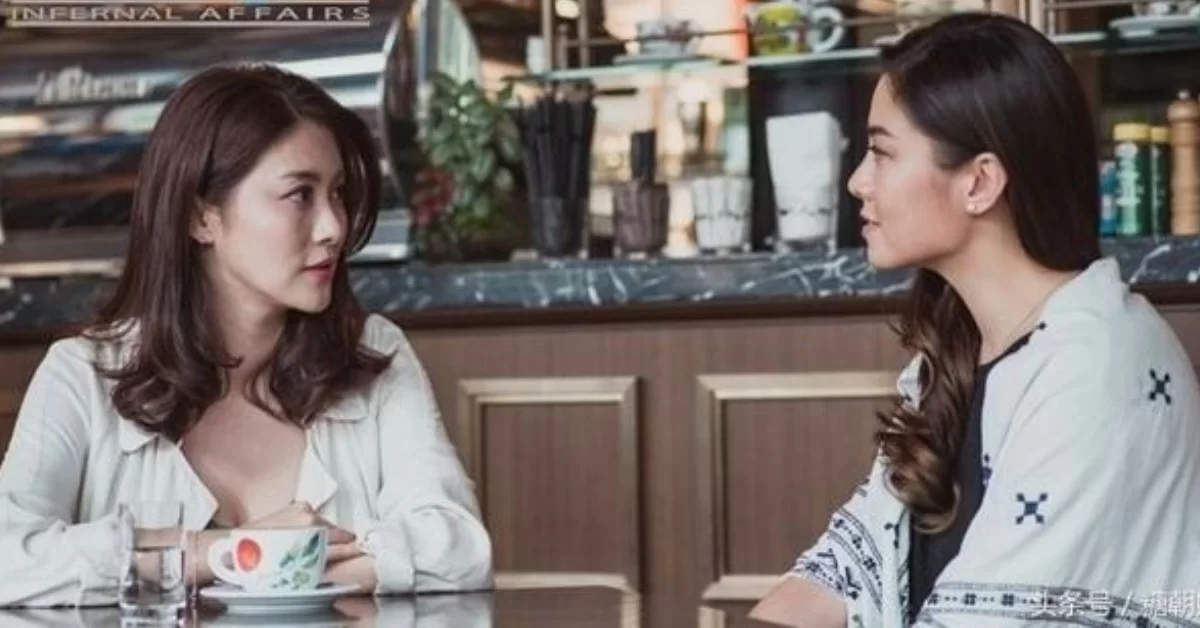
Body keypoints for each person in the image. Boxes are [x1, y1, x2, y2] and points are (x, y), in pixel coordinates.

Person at [750, 12, 1200, 628]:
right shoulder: (956, 353)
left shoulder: (1098, 369)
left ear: (980, 182)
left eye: (881, 152)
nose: (857, 182)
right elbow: (839, 578)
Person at [0, 64, 493, 607]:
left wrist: (278, 566)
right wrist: (228, 552)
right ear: (201, 217)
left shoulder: (376, 355)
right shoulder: (83, 375)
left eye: (337, 193)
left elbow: (460, 548)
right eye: (299, 194)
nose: (334, 227)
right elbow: (8, 560)